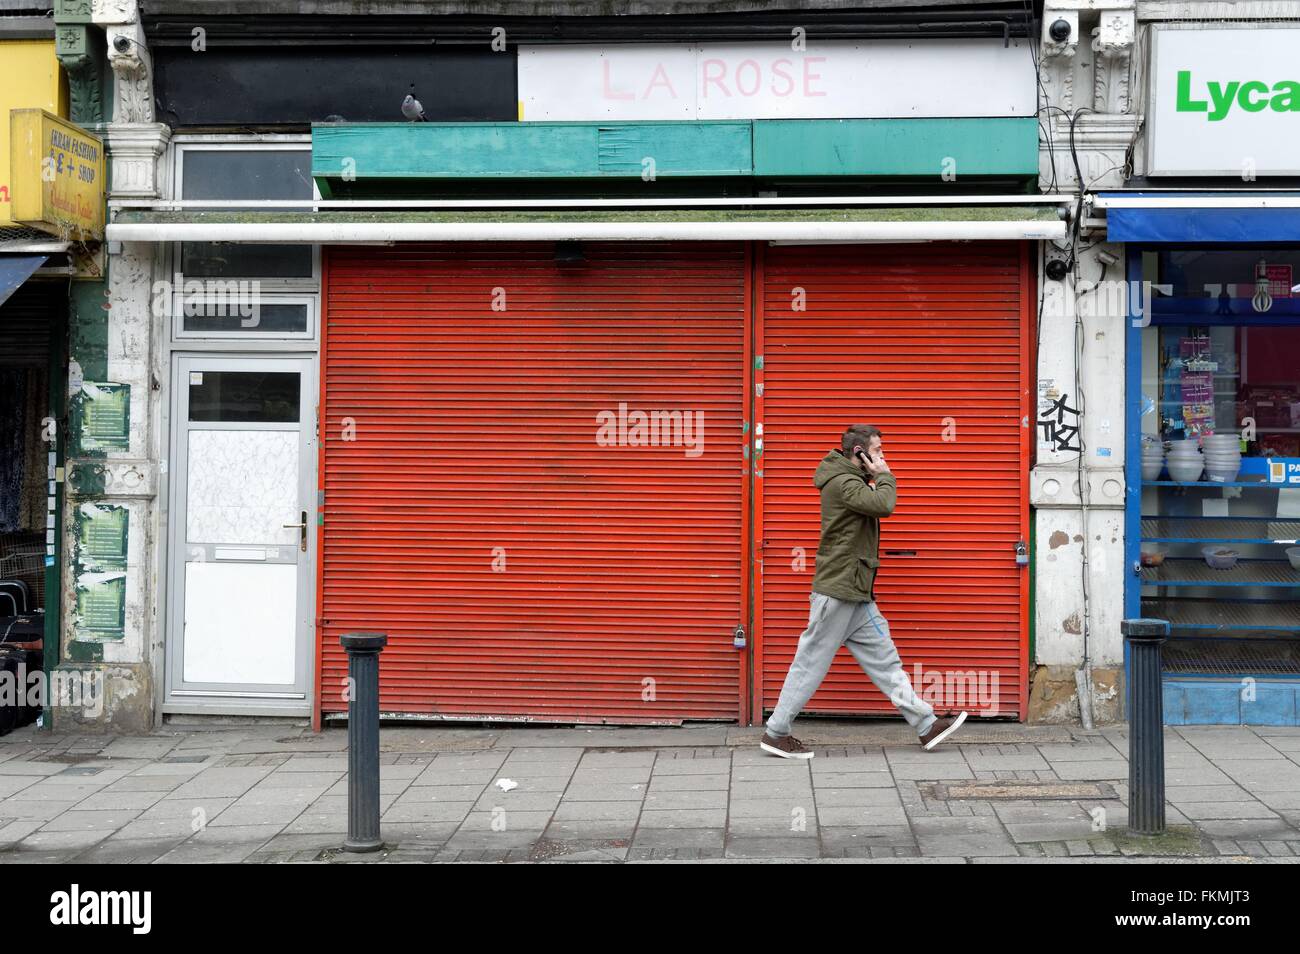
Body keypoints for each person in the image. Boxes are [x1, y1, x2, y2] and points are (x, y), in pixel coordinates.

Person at [760, 424, 966, 759]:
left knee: (885, 661)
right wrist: (883, 474)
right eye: (878, 450)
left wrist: (877, 474)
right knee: (810, 662)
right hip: (839, 589)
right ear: (860, 453)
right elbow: (884, 504)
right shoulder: (843, 484)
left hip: (855, 590)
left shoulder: (851, 481)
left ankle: (926, 725)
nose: (883, 456)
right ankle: (776, 732)